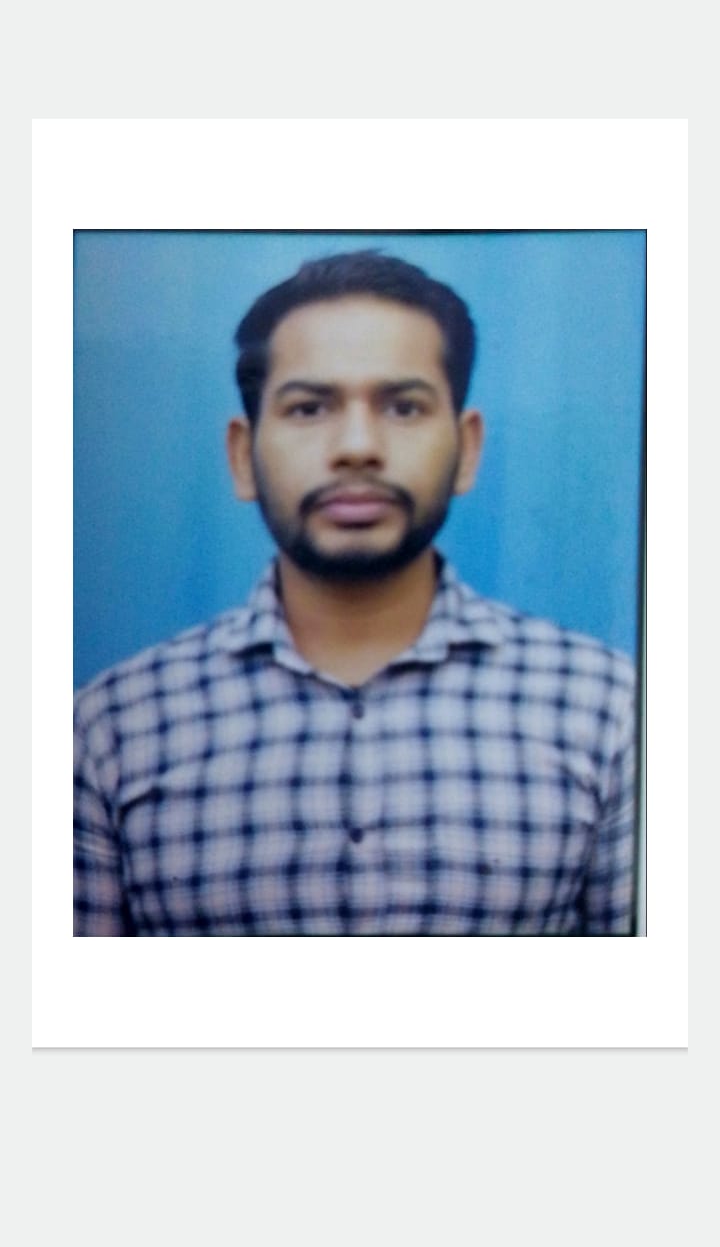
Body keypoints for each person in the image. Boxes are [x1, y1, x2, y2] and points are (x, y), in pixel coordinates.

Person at [74, 250, 637, 936]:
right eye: (310, 408)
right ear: (242, 456)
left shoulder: (611, 712)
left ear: (467, 449)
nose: (358, 447)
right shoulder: (110, 730)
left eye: (403, 407)